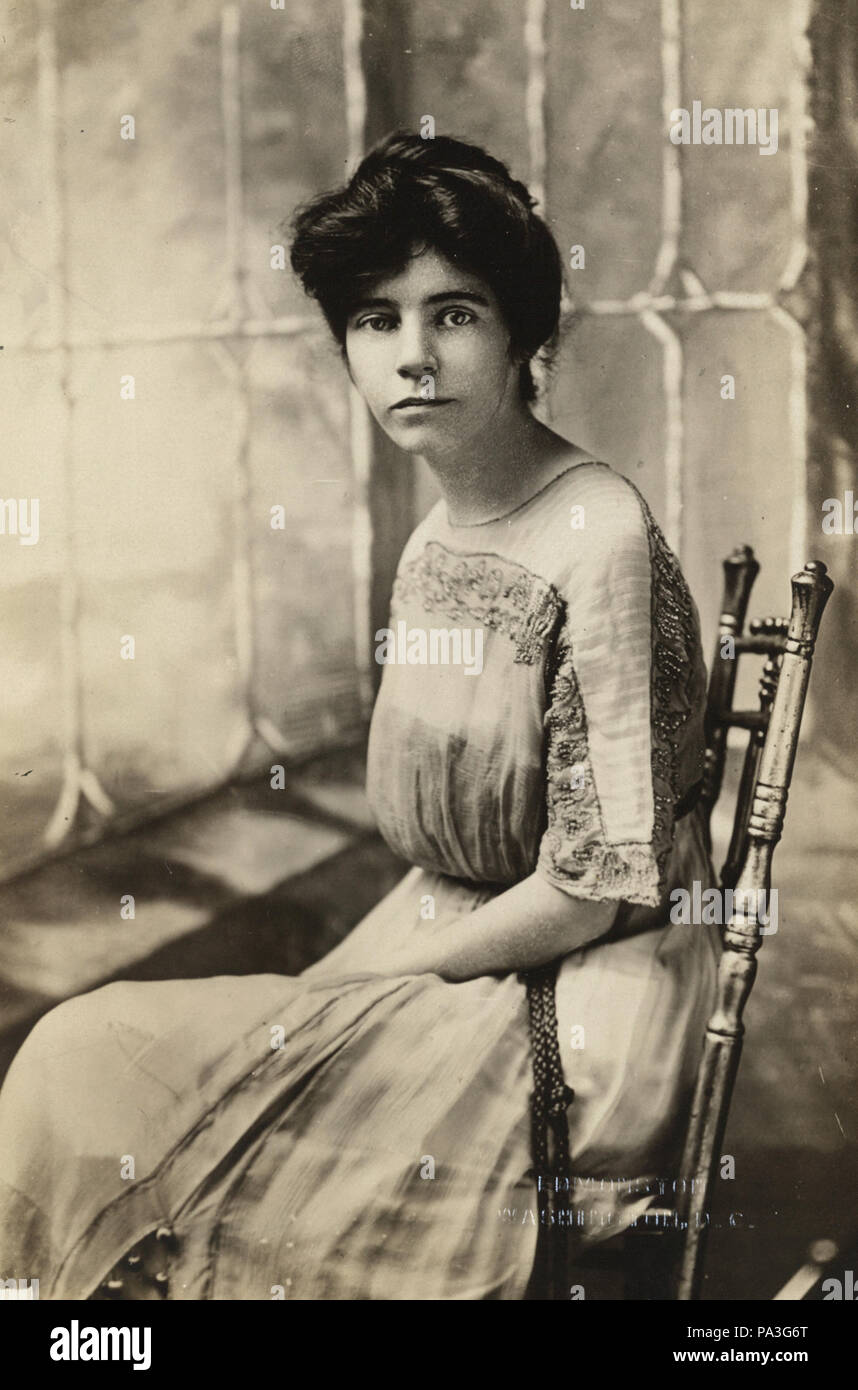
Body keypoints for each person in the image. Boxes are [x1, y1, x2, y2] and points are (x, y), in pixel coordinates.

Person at [0, 131, 720, 1301]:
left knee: (127, 1087)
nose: (414, 357)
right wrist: (365, 975)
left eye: (455, 313)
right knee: (90, 1063)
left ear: (526, 334)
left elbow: (602, 884)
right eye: (378, 321)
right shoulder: (438, 536)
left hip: (579, 994)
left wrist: (365, 990)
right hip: (442, 936)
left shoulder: (601, 537)